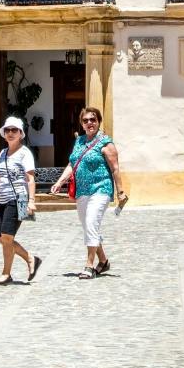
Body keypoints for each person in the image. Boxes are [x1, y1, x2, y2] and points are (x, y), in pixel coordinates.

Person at [51, 107, 121, 279]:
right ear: (81, 124)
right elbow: (72, 164)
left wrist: (121, 191)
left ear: (98, 122)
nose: (89, 123)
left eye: (93, 119)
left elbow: (115, 168)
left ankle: (89, 265)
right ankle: (103, 261)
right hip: (82, 191)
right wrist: (60, 182)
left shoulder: (106, 142)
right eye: (86, 120)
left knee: (91, 222)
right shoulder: (80, 141)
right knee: (88, 226)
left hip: (101, 188)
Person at [0, 116, 41, 284]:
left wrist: (31, 201)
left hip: (19, 199)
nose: (10, 133)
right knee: (1, 238)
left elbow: (30, 179)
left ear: (21, 133)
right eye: (7, 130)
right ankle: (30, 258)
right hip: (3, 200)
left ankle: (6, 274)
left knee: (7, 236)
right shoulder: (2, 153)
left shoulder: (25, 153)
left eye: (14, 130)